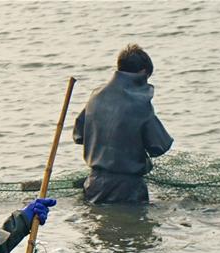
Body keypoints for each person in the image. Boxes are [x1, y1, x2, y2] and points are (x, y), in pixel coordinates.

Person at [72, 44, 173, 204]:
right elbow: (159, 146)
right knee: (132, 227)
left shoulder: (95, 96)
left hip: (94, 185)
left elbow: (78, 135)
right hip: (128, 191)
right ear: (143, 73)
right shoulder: (140, 105)